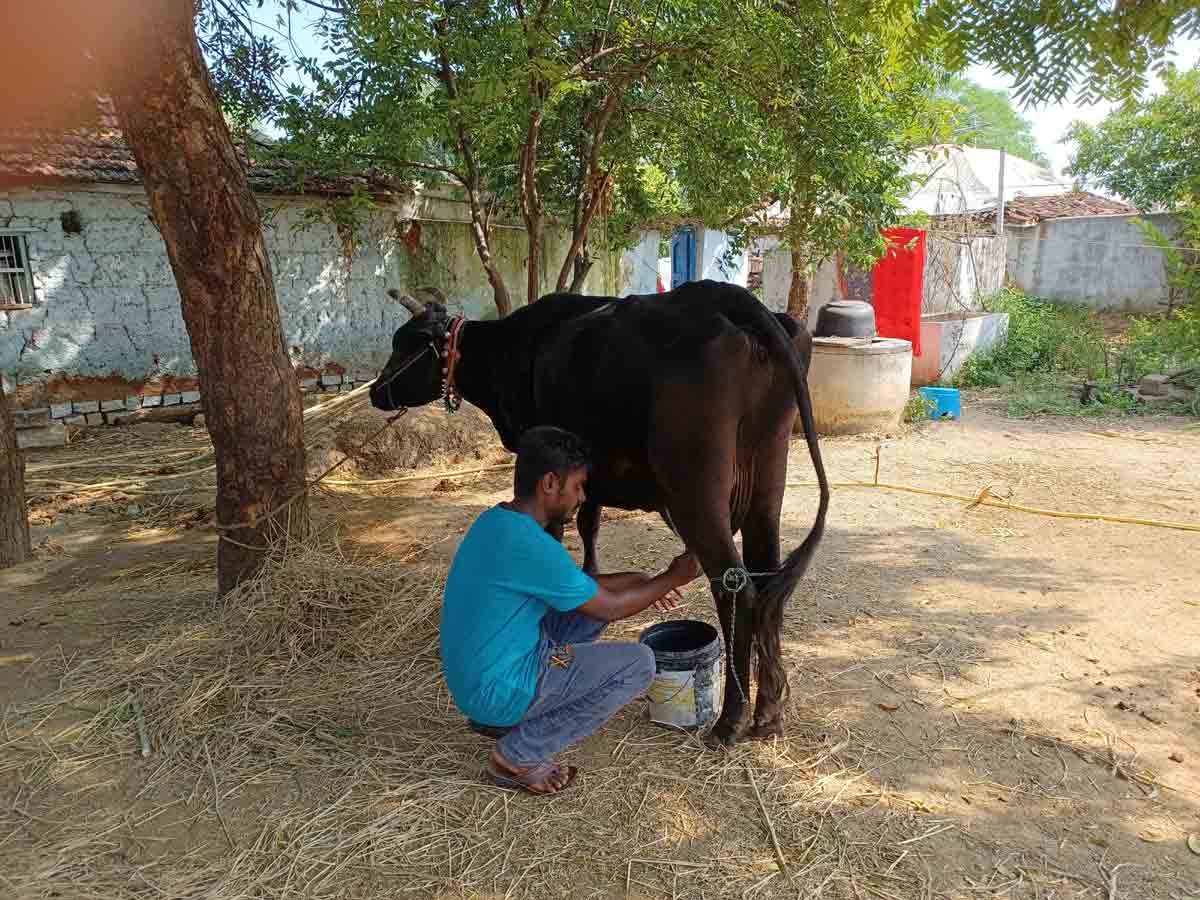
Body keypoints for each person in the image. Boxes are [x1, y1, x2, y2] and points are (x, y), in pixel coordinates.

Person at [441, 425, 703, 795]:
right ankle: (518, 755)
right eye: (578, 485)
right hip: (496, 691)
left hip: (481, 680)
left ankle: (513, 719)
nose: (581, 497)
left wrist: (646, 580)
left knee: (582, 611)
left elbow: (584, 590)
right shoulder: (532, 545)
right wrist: (673, 578)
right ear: (550, 483)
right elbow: (608, 607)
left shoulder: (499, 523)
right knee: (638, 664)